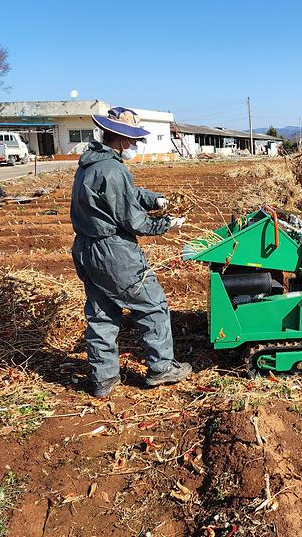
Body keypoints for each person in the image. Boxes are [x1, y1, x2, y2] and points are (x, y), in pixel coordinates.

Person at [70, 106, 191, 398]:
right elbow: (133, 220)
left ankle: (103, 379)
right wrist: (166, 223)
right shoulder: (113, 169)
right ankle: (161, 368)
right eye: (134, 141)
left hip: (86, 247)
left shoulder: (91, 163)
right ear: (123, 139)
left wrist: (156, 198)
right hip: (113, 252)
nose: (135, 146)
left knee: (102, 313)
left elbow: (128, 194)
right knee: (153, 305)